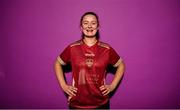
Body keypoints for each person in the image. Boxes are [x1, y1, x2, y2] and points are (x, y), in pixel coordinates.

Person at [54, 12, 125, 109]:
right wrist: (64, 85)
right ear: (81, 27)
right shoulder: (72, 48)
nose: (89, 26)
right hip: (77, 104)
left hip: (101, 104)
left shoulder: (106, 49)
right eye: (86, 23)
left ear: (98, 26)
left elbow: (121, 64)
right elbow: (57, 63)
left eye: (93, 23)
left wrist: (112, 86)